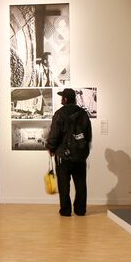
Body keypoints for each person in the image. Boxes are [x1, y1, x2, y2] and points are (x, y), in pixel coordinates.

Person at [47, 87, 92, 217]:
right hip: (80, 155)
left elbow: (54, 134)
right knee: (81, 184)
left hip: (63, 156)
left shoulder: (59, 114)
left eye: (62, 97)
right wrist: (83, 150)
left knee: (64, 185)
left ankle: (66, 210)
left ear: (65, 99)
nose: (61, 99)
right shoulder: (83, 114)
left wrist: (51, 148)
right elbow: (88, 135)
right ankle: (80, 210)